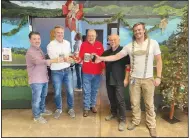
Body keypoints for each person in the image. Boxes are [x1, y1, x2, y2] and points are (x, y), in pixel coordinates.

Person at [95, 22, 162, 137]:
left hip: (148, 79)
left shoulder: (153, 43)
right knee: (134, 103)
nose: (137, 32)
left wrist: (159, 76)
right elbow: (116, 56)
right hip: (134, 79)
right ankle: (135, 121)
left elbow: (159, 60)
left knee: (149, 104)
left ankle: (151, 125)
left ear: (144, 30)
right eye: (135, 30)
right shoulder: (129, 46)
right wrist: (100, 58)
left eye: (139, 30)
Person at [26, 31, 62, 124]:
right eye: (34, 39)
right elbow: (39, 62)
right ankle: (36, 116)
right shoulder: (30, 52)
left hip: (43, 78)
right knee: (36, 99)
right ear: (30, 40)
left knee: (43, 96)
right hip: (36, 80)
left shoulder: (39, 50)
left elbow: (44, 59)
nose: (37, 41)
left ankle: (42, 110)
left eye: (38, 38)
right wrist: (54, 60)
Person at [102, 34, 130, 131]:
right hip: (109, 79)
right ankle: (113, 113)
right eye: (110, 40)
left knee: (120, 100)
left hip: (119, 79)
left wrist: (126, 78)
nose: (112, 41)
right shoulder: (106, 52)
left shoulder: (124, 51)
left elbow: (128, 66)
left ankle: (122, 120)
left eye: (114, 39)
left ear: (119, 40)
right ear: (108, 41)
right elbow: (99, 61)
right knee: (111, 98)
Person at [47, 25, 75, 119]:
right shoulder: (50, 45)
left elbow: (69, 55)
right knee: (57, 92)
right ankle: (59, 109)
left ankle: (70, 108)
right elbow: (54, 59)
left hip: (67, 70)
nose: (60, 34)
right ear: (54, 34)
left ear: (63, 33)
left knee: (70, 91)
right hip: (56, 72)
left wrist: (71, 58)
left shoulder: (67, 43)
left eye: (61, 32)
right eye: (58, 32)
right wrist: (65, 59)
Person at [77, 29, 105, 117]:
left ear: (95, 36)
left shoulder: (99, 45)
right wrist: (77, 59)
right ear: (87, 36)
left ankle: (92, 105)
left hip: (97, 72)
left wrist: (103, 68)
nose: (91, 37)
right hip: (86, 72)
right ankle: (86, 108)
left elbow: (103, 58)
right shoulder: (83, 44)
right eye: (89, 36)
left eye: (92, 35)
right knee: (87, 91)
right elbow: (80, 57)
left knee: (95, 90)